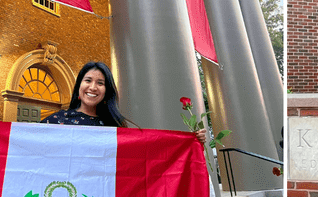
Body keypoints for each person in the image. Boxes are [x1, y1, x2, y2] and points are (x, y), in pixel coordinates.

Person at [42, 61, 206, 142]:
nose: (92, 87)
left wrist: (190, 140)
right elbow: (27, 143)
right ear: (79, 86)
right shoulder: (59, 120)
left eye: (100, 83)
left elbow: (147, 150)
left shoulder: (114, 126)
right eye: (88, 81)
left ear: (107, 91)